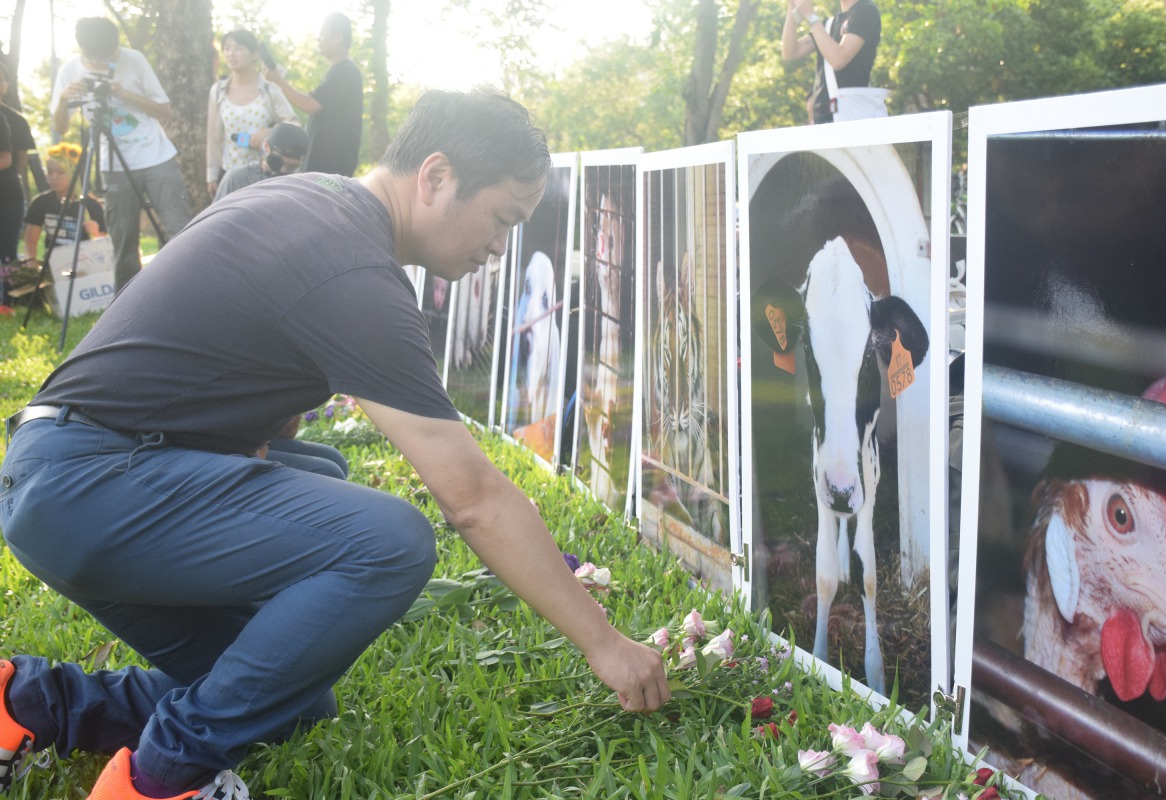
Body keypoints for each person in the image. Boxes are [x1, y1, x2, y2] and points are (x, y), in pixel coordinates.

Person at [0, 87, 669, 800]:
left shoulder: (313, 201)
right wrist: (607, 645)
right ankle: (164, 780)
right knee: (387, 541)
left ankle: (27, 702)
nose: (500, 249)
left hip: (67, 475)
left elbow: (245, 371)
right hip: (90, 485)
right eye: (502, 218)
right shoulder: (349, 266)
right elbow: (472, 498)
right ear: (436, 176)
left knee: (288, 696)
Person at [51, 17, 192, 292]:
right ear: (84, 52)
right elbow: (61, 127)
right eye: (98, 60)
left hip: (156, 156)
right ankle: (128, 300)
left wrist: (125, 94)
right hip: (112, 163)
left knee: (179, 227)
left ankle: (188, 288)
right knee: (123, 237)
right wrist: (65, 99)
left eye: (111, 55)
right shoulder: (69, 70)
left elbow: (165, 111)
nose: (106, 62)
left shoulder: (134, 60)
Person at [266, 12, 363, 177]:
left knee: (323, 201)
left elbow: (310, 105)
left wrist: (279, 82)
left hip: (331, 169)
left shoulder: (346, 72)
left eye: (323, 34)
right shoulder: (337, 72)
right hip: (324, 166)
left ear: (338, 36)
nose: (319, 39)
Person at [205, 30, 299, 199]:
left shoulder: (270, 91)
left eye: (239, 48)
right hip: (229, 177)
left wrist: (271, 132)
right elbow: (214, 135)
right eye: (226, 48)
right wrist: (211, 174)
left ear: (255, 54)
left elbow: (295, 126)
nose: (231, 54)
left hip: (264, 177)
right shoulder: (218, 91)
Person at [780, 0, 882, 125]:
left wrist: (811, 16)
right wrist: (792, 7)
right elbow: (790, 52)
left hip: (851, 117)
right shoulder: (828, 25)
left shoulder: (866, 11)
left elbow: (838, 59)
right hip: (822, 117)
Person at [22, 149, 106, 264]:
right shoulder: (40, 202)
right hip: (54, 263)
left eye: (61, 172)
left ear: (74, 172)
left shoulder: (91, 204)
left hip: (85, 263)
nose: (54, 177)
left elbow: (104, 247)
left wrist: (96, 233)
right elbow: (30, 241)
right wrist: (31, 260)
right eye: (50, 172)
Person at [212, 122, 308, 201]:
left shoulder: (304, 183)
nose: (284, 172)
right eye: (279, 163)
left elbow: (323, 181)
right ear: (266, 147)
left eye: (292, 167)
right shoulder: (236, 178)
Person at [0, 61, 36, 266]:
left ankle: (9, 299)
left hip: (8, 195)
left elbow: (18, 160)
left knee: (6, 253)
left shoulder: (16, 120)